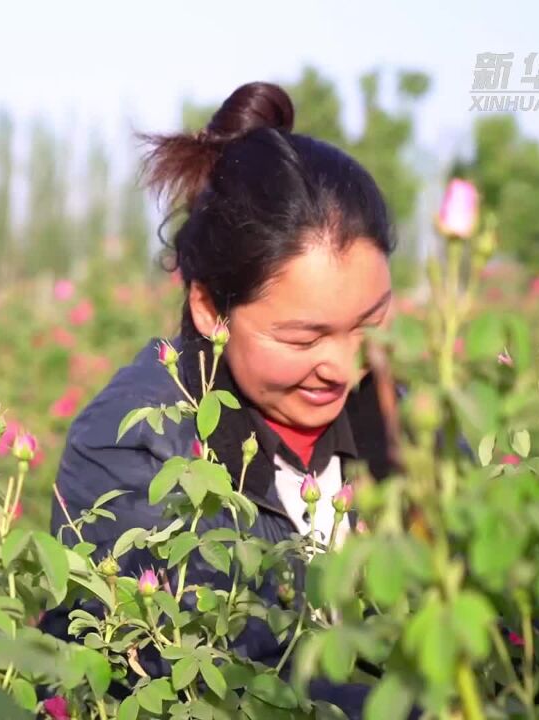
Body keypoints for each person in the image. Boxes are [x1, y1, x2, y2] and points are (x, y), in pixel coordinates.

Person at [40, 81, 400, 718]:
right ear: (209, 308)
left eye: (369, 324)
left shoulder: (403, 421)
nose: (345, 367)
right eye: (304, 336)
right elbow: (218, 679)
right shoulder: (133, 446)